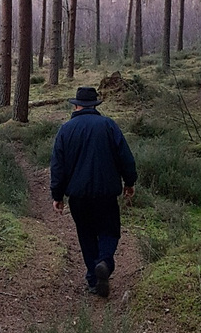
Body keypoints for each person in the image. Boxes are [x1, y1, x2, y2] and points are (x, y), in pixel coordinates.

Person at [50, 86, 137, 298]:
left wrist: (57, 195)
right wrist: (129, 181)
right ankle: (104, 262)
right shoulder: (108, 125)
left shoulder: (65, 130)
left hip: (78, 197)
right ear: (95, 105)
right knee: (109, 231)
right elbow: (125, 156)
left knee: (86, 235)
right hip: (106, 193)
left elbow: (58, 167)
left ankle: (92, 280)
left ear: (76, 105)